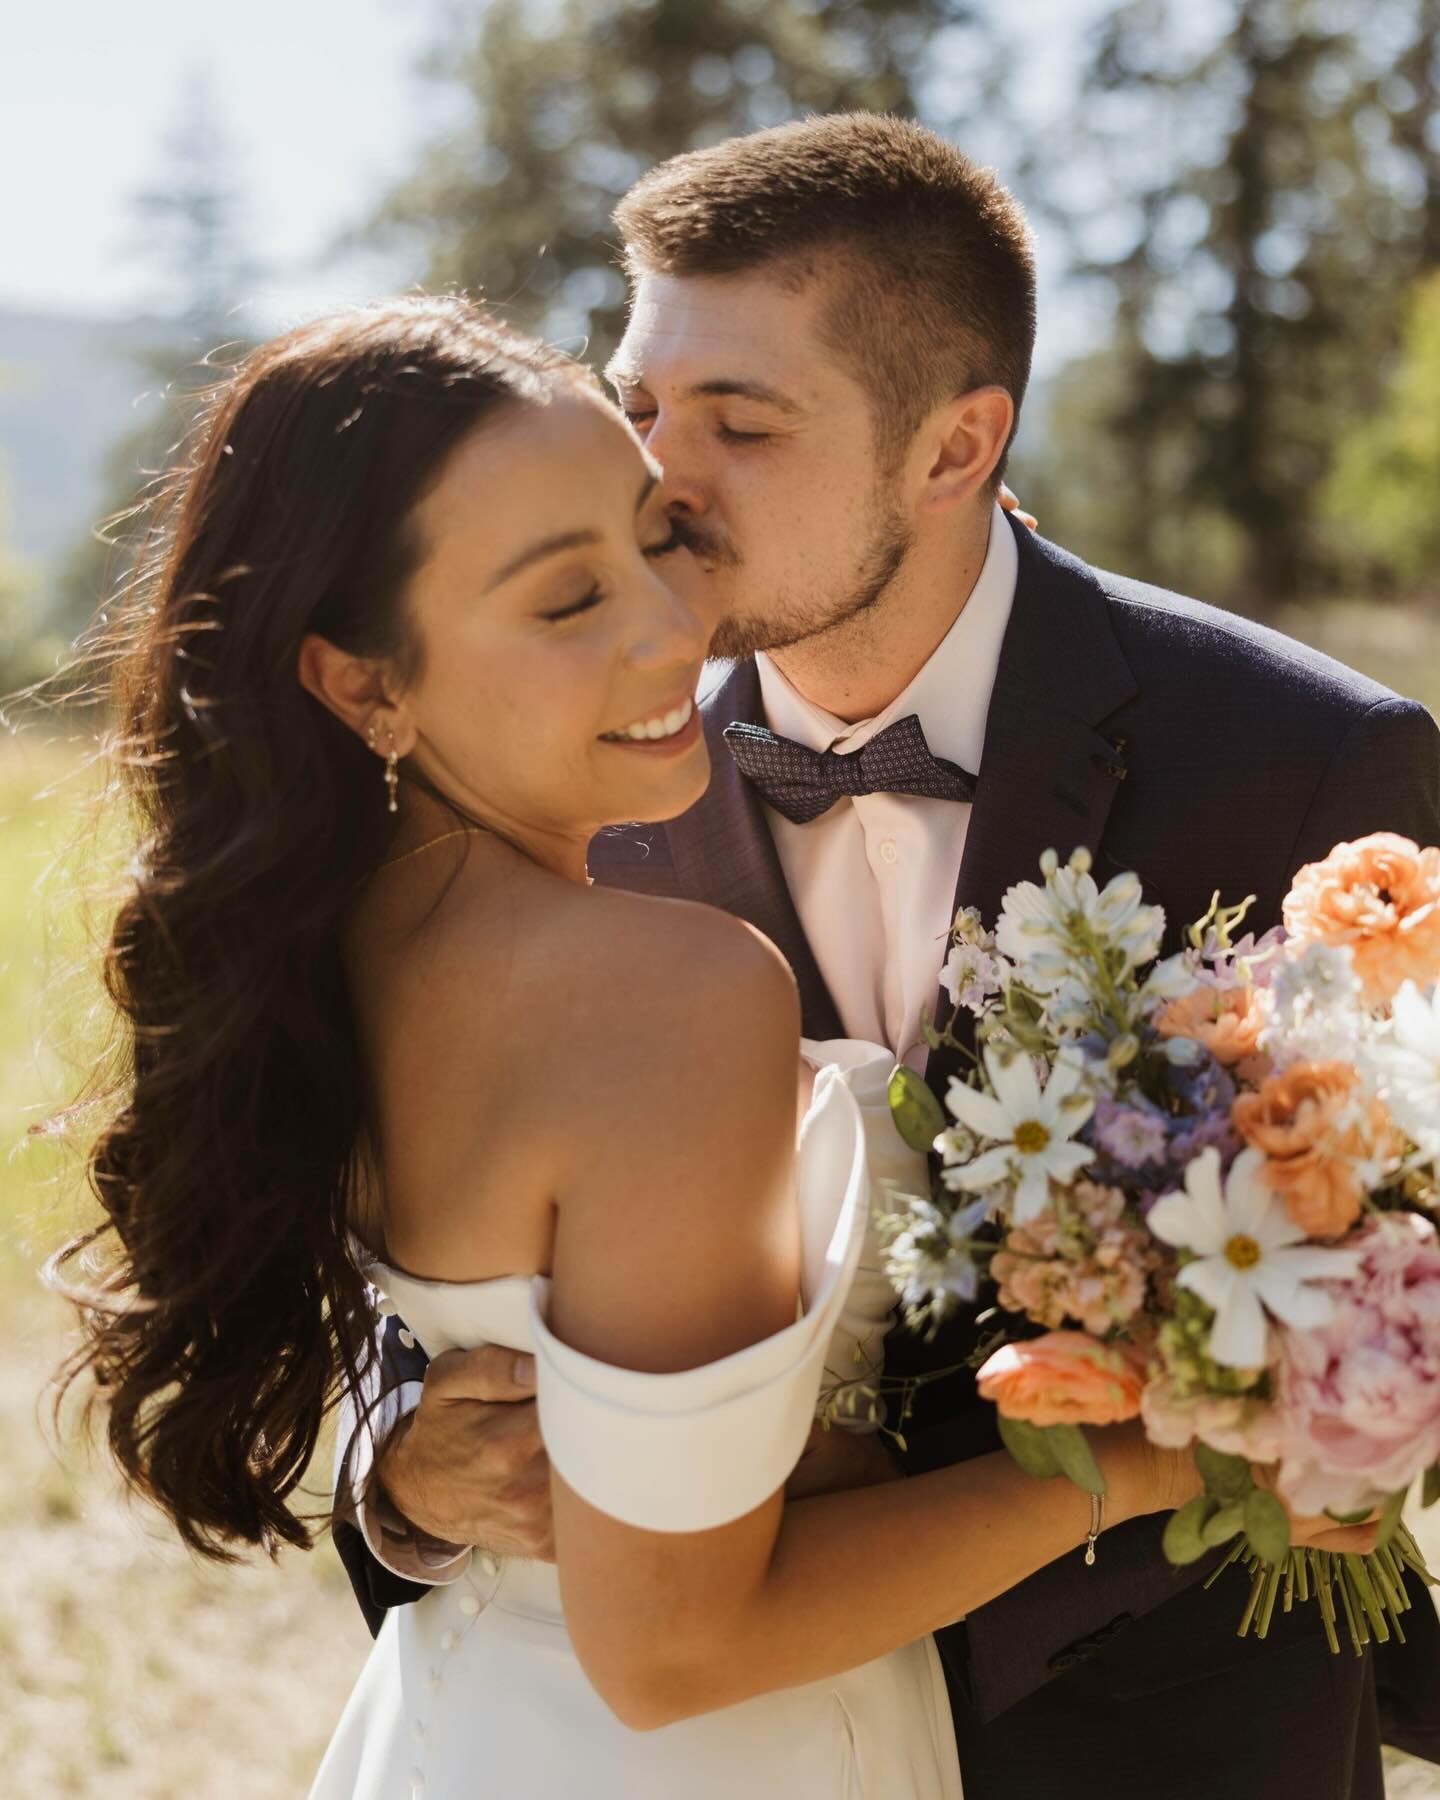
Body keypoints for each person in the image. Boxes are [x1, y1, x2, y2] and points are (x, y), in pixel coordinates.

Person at [58, 289, 1312, 1800]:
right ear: (363, 681)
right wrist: (1175, 1455)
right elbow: (677, 1653)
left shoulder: (314, 945)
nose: (675, 627)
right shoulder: (669, 987)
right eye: (564, 599)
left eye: (657, 538)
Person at [344, 115, 1440, 1800]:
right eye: (641, 408)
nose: (660, 482)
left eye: (742, 423)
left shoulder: (1311, 769)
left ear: (956, 445)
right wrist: (398, 1486)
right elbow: (387, 1269)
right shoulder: (536, 776)